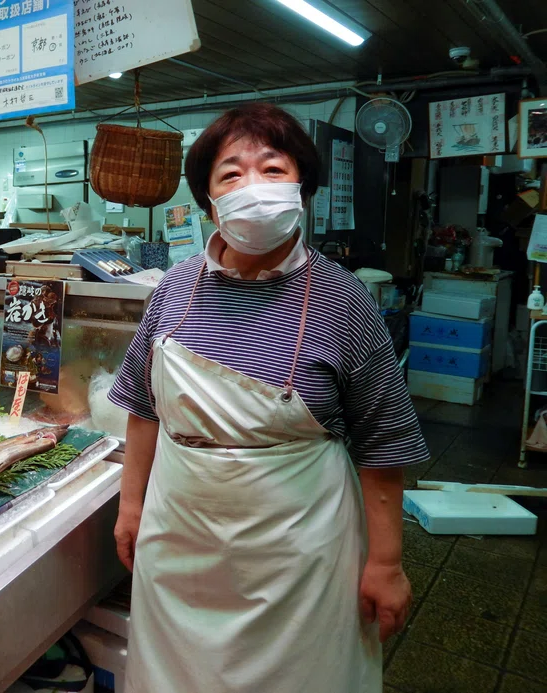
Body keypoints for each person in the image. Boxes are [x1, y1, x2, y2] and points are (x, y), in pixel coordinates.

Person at [107, 103, 429, 693]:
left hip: (300, 550)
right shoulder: (175, 287)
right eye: (231, 174)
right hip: (180, 531)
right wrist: (132, 509)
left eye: (273, 169)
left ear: (301, 186)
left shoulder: (344, 300)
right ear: (208, 199)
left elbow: (384, 447)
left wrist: (385, 563)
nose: (252, 187)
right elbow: (142, 406)